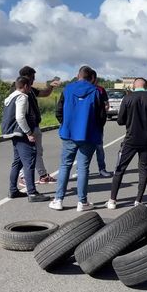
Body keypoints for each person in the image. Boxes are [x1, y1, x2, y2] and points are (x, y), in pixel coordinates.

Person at [48, 66, 106, 212]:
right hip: (88, 134)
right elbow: (101, 116)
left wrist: (66, 124)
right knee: (83, 168)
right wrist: (96, 130)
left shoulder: (67, 89)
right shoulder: (95, 91)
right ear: (91, 78)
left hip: (69, 134)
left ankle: (58, 199)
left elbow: (59, 111)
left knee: (65, 166)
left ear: (78, 75)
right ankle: (82, 202)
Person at [106, 77, 147, 209]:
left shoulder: (127, 98)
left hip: (130, 139)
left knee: (120, 168)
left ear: (134, 86)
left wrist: (130, 119)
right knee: (143, 169)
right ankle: (138, 200)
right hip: (146, 139)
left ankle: (112, 200)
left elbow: (120, 121)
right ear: (146, 86)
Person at [1, 76, 48, 202]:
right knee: (29, 162)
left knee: (17, 162)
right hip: (21, 133)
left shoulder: (10, 97)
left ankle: (13, 190)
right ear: (26, 86)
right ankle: (32, 192)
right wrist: (28, 132)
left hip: (12, 133)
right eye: (29, 86)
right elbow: (20, 117)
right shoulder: (22, 97)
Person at [15, 66, 61, 186]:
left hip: (33, 125)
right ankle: (24, 177)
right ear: (27, 76)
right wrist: (27, 131)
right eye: (33, 77)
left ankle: (42, 175)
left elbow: (44, 93)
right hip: (26, 127)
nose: (34, 80)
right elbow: (18, 114)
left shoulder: (30, 89)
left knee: (37, 151)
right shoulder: (19, 90)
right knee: (27, 153)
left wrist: (51, 86)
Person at [70, 70, 113, 178]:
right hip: (80, 126)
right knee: (80, 149)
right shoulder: (74, 89)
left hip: (96, 127)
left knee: (99, 148)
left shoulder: (100, 90)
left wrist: (102, 116)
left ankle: (102, 169)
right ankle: (81, 170)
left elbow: (105, 105)